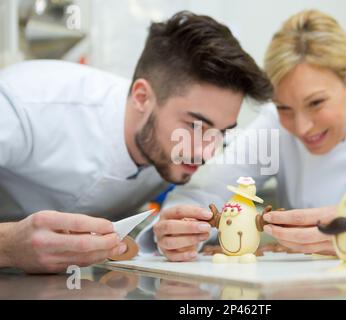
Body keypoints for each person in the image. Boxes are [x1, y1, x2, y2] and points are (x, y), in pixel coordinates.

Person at [144, 10, 346, 261]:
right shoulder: (274, 125)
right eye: (284, 108)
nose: (301, 127)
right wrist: (179, 229)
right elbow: (206, 191)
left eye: (316, 103)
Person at [0, 11, 272, 273]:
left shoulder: (180, 157)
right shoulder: (24, 104)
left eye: (221, 132)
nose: (207, 151)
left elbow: (196, 202)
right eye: (195, 126)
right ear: (142, 97)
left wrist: (169, 236)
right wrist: (8, 247)